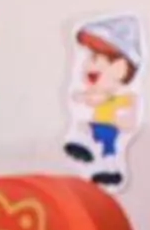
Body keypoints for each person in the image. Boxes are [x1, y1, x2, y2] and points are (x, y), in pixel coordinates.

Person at [61, 15, 144, 190]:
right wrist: (82, 97)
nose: (86, 66)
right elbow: (89, 99)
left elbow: (130, 117)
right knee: (85, 129)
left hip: (110, 128)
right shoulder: (101, 95)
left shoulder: (125, 98)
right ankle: (84, 149)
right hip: (98, 124)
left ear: (120, 67)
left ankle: (110, 170)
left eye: (95, 59)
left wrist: (123, 120)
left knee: (108, 148)